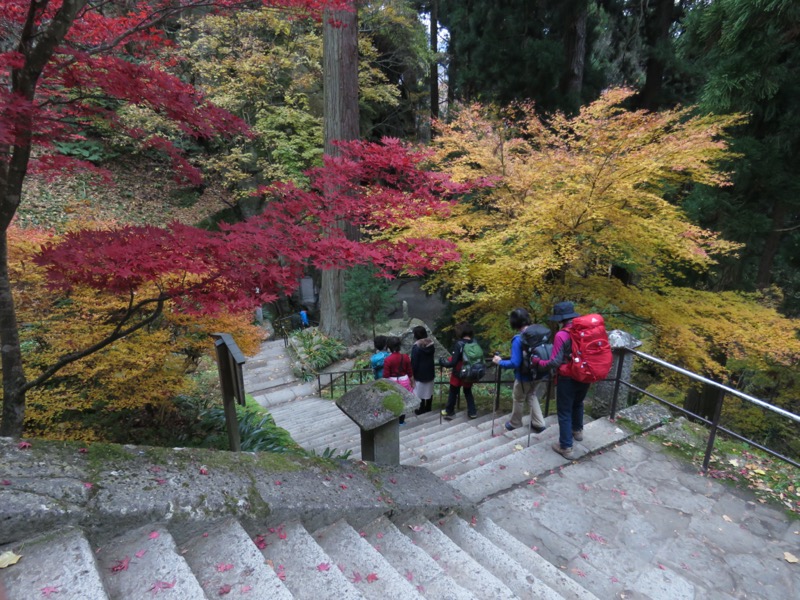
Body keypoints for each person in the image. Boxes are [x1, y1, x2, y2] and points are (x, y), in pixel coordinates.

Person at [532, 301, 589, 459]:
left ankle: (566, 447)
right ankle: (578, 432)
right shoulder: (584, 331)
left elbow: (555, 362)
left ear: (560, 319)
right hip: (585, 374)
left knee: (564, 412)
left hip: (567, 377)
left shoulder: (562, 335)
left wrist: (538, 362)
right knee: (578, 403)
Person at [492, 308, 547, 433]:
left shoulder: (519, 339)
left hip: (524, 377)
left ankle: (515, 423)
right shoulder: (538, 333)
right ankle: (539, 423)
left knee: (518, 398)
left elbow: (515, 363)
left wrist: (499, 361)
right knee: (532, 395)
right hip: (539, 372)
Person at [439, 322, 478, 420]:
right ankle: (472, 412)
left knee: (453, 392)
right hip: (469, 370)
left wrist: (443, 363)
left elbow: (453, 362)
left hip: (458, 371)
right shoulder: (474, 342)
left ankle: (449, 411)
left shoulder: (459, 344)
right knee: (468, 392)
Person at [382, 336, 413, 425]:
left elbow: (386, 375)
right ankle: (401, 421)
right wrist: (412, 382)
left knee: (394, 401)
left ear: (389, 347)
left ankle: (394, 420)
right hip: (404, 381)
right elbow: (410, 371)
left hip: (393, 382)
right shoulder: (405, 357)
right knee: (403, 401)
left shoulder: (388, 360)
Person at [410, 325, 436, 415]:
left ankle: (420, 409)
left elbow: (414, 362)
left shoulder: (416, 347)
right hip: (430, 370)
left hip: (419, 373)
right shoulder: (431, 344)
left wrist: (412, 373)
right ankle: (428, 408)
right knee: (429, 390)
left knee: (419, 391)